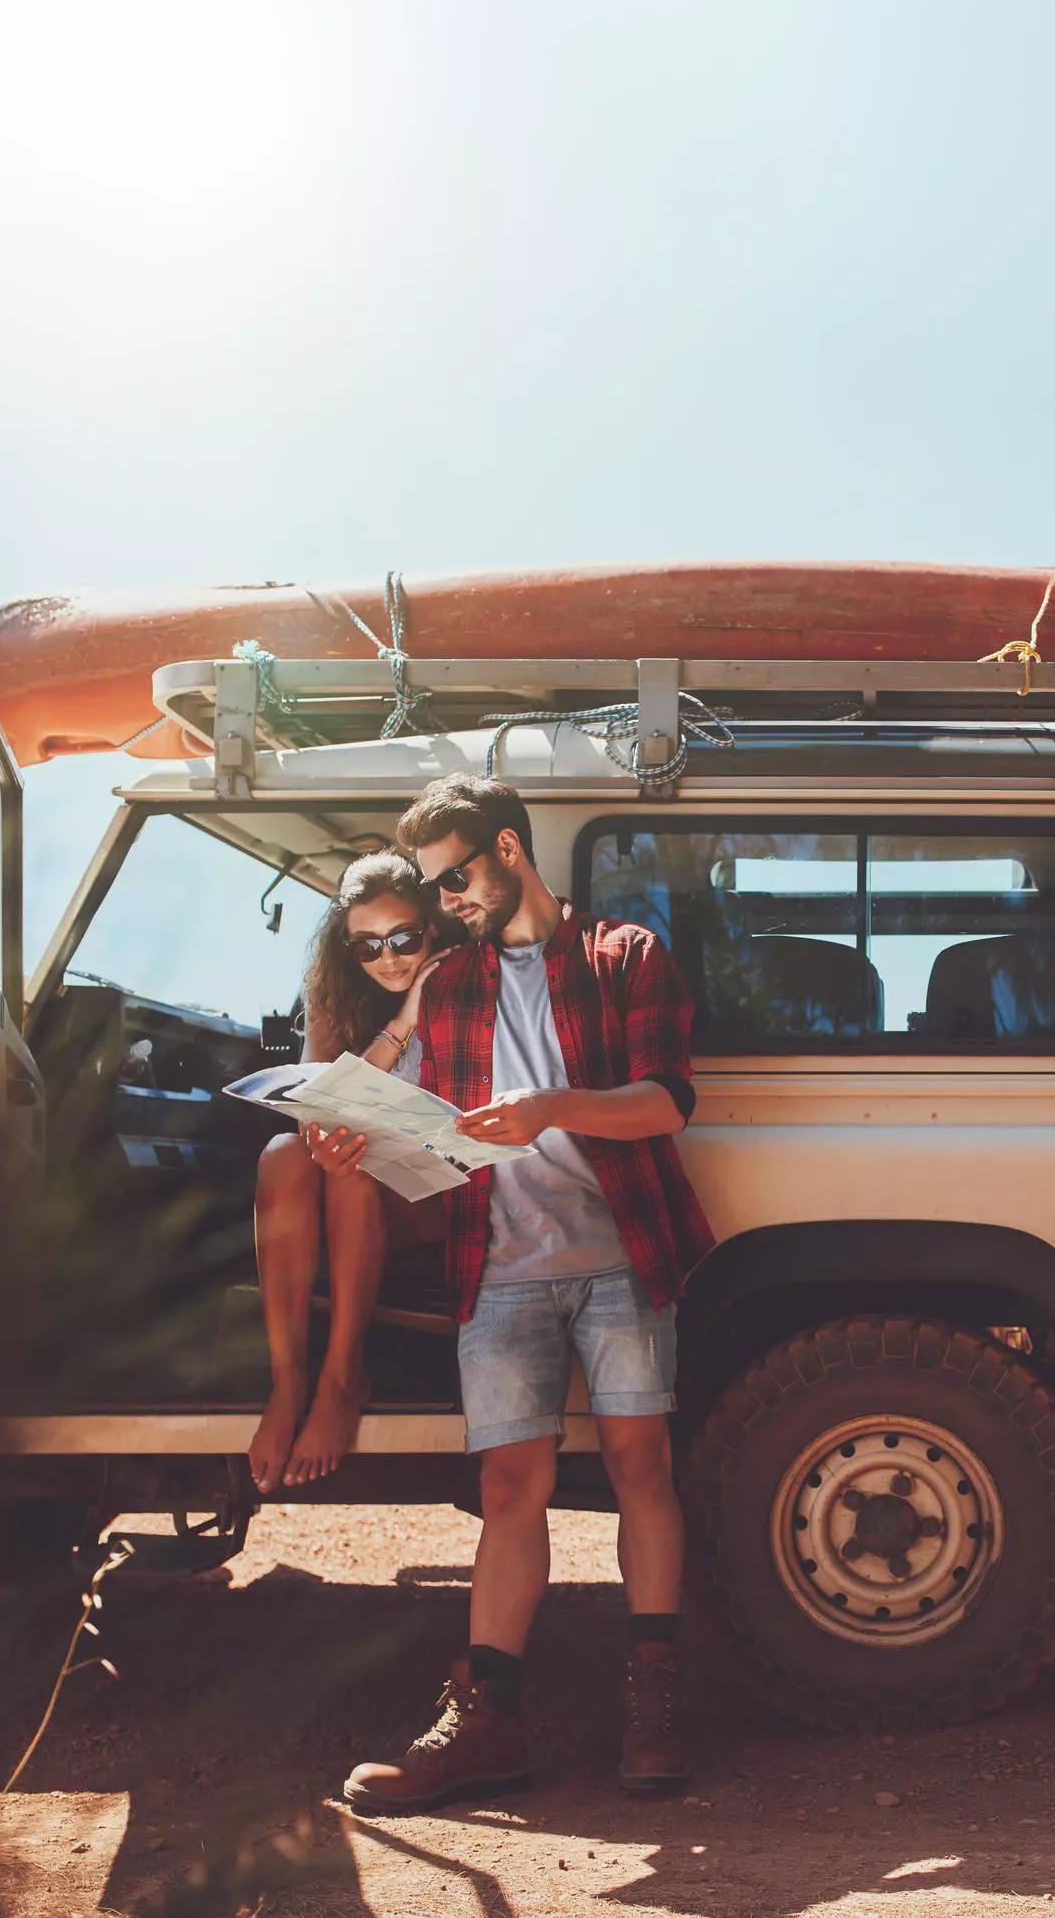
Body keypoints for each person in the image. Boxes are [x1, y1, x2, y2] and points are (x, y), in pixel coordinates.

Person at [339, 775, 714, 1813]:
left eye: (455, 877)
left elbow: (666, 1102)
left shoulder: (621, 954)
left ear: (507, 849)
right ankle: (488, 1723)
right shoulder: (450, 983)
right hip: (497, 1261)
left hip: (622, 1251)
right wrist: (347, 1122)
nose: (444, 902)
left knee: (642, 1462)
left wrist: (552, 1106)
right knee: (509, 1489)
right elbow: (406, 1103)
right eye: (433, 885)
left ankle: (654, 1702)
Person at [246, 853, 455, 1497]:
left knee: (351, 1165)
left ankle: (342, 1379)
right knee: (285, 1153)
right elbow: (322, 1098)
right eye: (367, 946)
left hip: (443, 1186)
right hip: (362, 1179)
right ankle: (289, 1383)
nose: (388, 959)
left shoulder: (467, 982)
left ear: (433, 928)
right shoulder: (334, 992)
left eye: (404, 939)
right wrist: (396, 1027)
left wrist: (418, 1010)